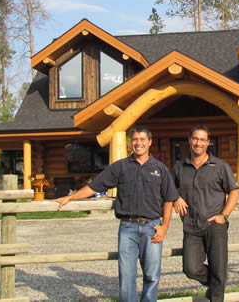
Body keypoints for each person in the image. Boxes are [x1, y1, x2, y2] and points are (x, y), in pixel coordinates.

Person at [54, 125, 178, 302]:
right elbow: (95, 186)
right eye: (135, 139)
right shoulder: (120, 167)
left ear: (150, 142)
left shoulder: (160, 169)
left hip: (153, 228)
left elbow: (169, 198)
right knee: (127, 277)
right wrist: (71, 198)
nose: (138, 143)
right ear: (131, 143)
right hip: (127, 228)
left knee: (152, 275)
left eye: (142, 139)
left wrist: (165, 226)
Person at [172, 125, 239, 301]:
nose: (198, 143)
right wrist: (176, 199)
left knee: (218, 268)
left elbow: (234, 191)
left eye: (202, 139)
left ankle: (217, 289)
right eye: (195, 138)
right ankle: (218, 282)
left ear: (208, 142)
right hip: (191, 226)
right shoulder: (180, 167)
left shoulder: (220, 166)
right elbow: (169, 189)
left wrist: (223, 216)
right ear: (189, 140)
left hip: (214, 225)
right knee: (191, 268)